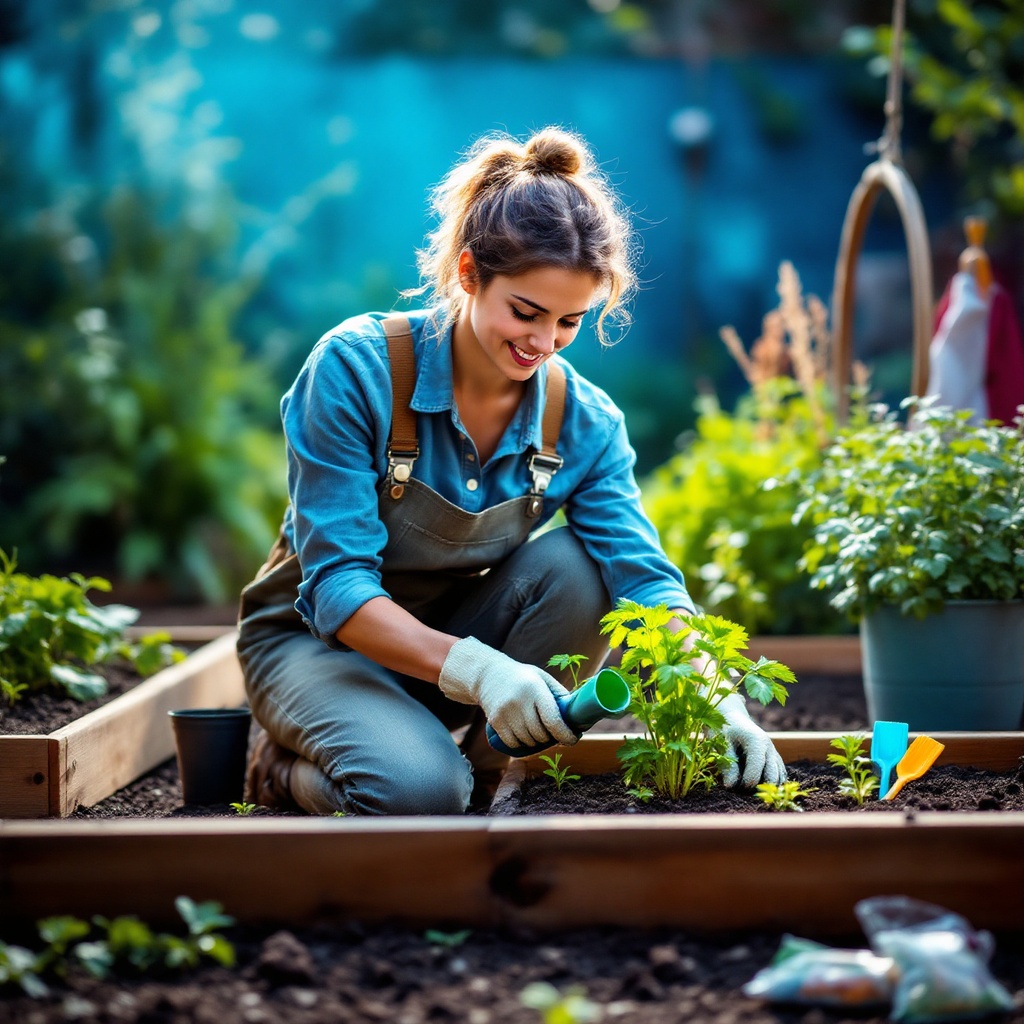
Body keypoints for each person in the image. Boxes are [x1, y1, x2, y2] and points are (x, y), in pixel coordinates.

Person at [236, 126, 785, 815]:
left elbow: (643, 580)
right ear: (469, 275)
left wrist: (717, 698)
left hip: (450, 650)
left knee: (588, 570)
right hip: (317, 650)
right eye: (525, 312)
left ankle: (486, 782)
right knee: (416, 794)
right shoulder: (357, 370)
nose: (542, 343)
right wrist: (481, 669)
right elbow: (340, 589)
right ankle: (284, 770)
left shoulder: (583, 420)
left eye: (568, 323)